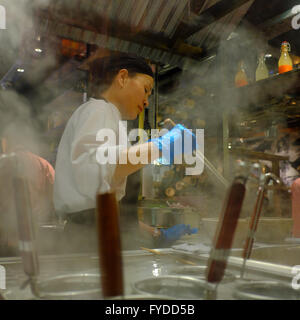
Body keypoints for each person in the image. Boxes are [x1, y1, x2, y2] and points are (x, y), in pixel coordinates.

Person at [53, 53, 198, 251]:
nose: (147, 101)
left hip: (94, 232)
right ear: (122, 78)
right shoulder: (99, 109)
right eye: (146, 90)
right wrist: (163, 145)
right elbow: (94, 171)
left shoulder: (110, 118)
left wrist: (156, 234)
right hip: (87, 238)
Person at [0, 122, 56, 256]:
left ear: (7, 141)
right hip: (36, 238)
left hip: (4, 239)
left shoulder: (2, 163)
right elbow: (53, 200)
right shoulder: (44, 165)